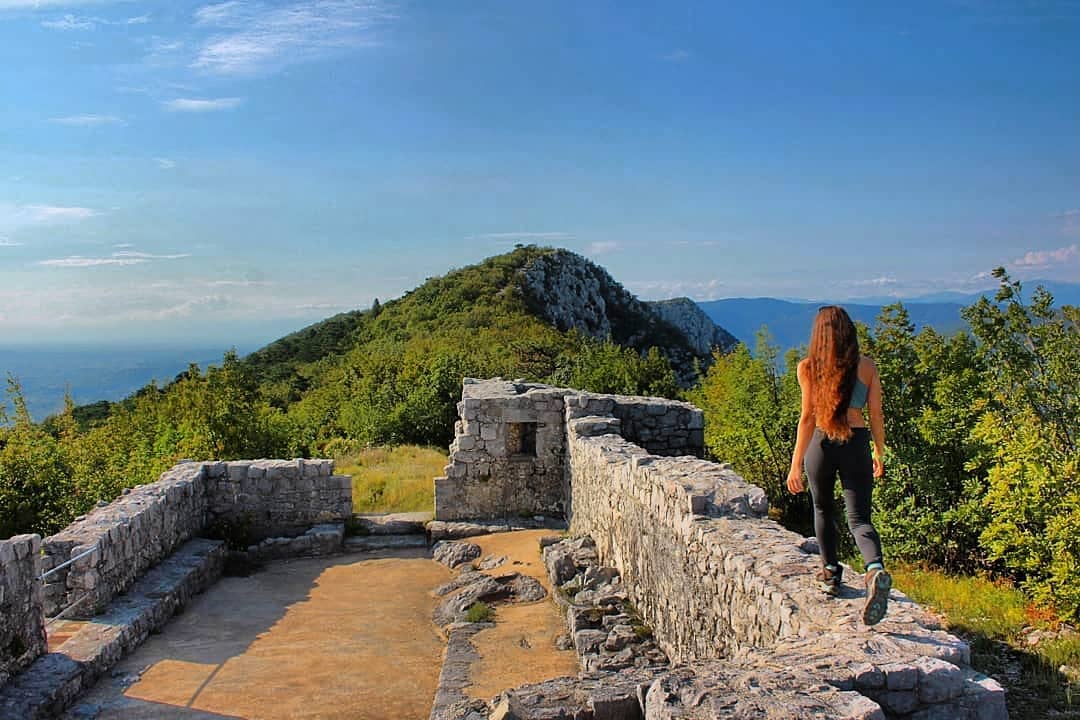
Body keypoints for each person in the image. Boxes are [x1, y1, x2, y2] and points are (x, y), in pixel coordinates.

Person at [786, 305, 892, 626]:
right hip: (856, 442)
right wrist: (879, 451)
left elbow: (806, 418)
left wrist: (795, 466)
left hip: (820, 442)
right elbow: (876, 415)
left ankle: (831, 572)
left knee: (823, 510)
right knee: (859, 518)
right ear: (849, 332)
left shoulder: (807, 368)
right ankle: (874, 569)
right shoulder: (867, 367)